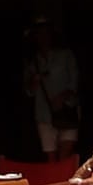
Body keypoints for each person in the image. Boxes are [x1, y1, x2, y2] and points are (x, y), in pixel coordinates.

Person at [23, 16, 80, 162]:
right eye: (39, 33)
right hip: (44, 115)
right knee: (51, 159)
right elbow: (28, 91)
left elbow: (75, 81)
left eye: (46, 33)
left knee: (65, 157)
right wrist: (35, 81)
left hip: (67, 110)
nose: (43, 37)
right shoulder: (32, 61)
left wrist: (63, 97)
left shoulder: (66, 55)